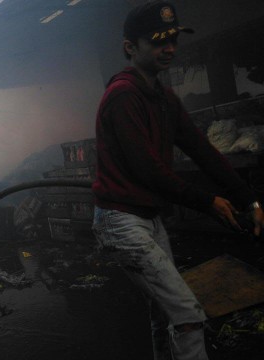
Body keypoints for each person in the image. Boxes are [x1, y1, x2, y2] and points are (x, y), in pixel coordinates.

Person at [91, 2, 264, 359]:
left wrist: (249, 199)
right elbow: (148, 170)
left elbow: (203, 150)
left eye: (172, 39)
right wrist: (207, 201)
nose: (168, 48)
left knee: (164, 315)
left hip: (149, 219)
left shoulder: (163, 97)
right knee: (187, 313)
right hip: (122, 221)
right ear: (130, 48)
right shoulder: (123, 95)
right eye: (157, 41)